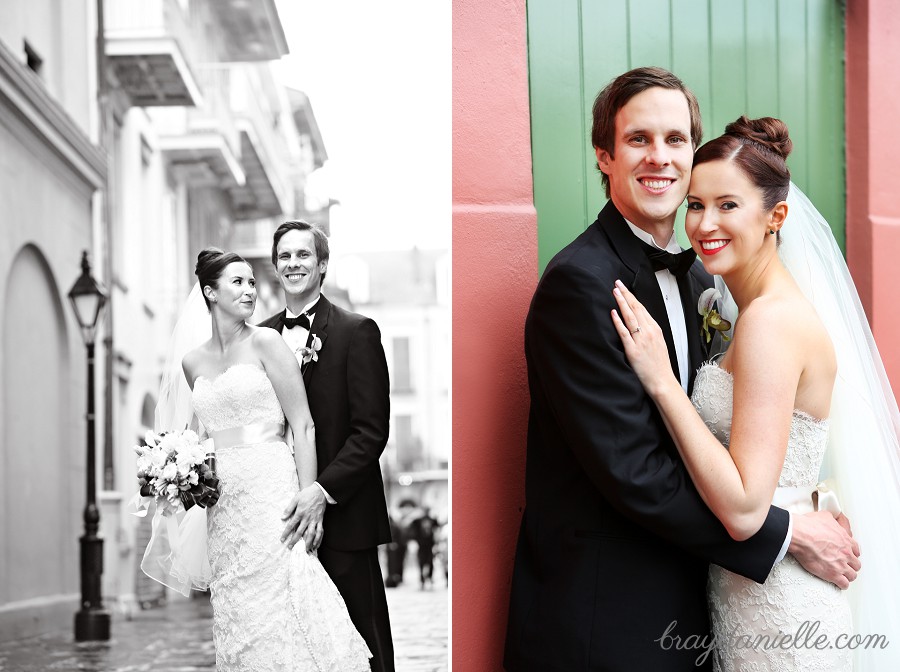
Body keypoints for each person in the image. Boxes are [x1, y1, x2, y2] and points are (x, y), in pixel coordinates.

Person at [503, 67, 860, 672]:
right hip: (609, 623)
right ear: (604, 157)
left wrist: (809, 501)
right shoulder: (581, 284)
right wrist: (788, 533)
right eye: (638, 139)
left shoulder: (705, 279)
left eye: (675, 140)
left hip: (705, 612)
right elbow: (637, 472)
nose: (659, 158)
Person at [611, 116, 900, 670]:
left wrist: (661, 381)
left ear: (777, 216)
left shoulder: (771, 323)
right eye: (695, 204)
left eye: (728, 204)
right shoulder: (743, 311)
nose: (704, 223)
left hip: (783, 617)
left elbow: (745, 510)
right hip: (750, 594)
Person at [179, 248, 370, 670]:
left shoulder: (267, 341)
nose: (250, 290)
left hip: (272, 491)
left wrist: (309, 500)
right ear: (210, 292)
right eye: (238, 282)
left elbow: (302, 426)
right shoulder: (191, 362)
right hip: (225, 506)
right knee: (238, 605)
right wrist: (183, 473)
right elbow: (202, 438)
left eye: (251, 282)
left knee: (284, 595)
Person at [258, 220, 394, 672]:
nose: (293, 264)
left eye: (302, 255)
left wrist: (321, 491)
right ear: (276, 268)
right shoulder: (259, 338)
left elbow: (371, 431)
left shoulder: (358, 332)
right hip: (280, 519)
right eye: (284, 257)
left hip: (346, 517)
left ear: (322, 265)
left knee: (360, 643)